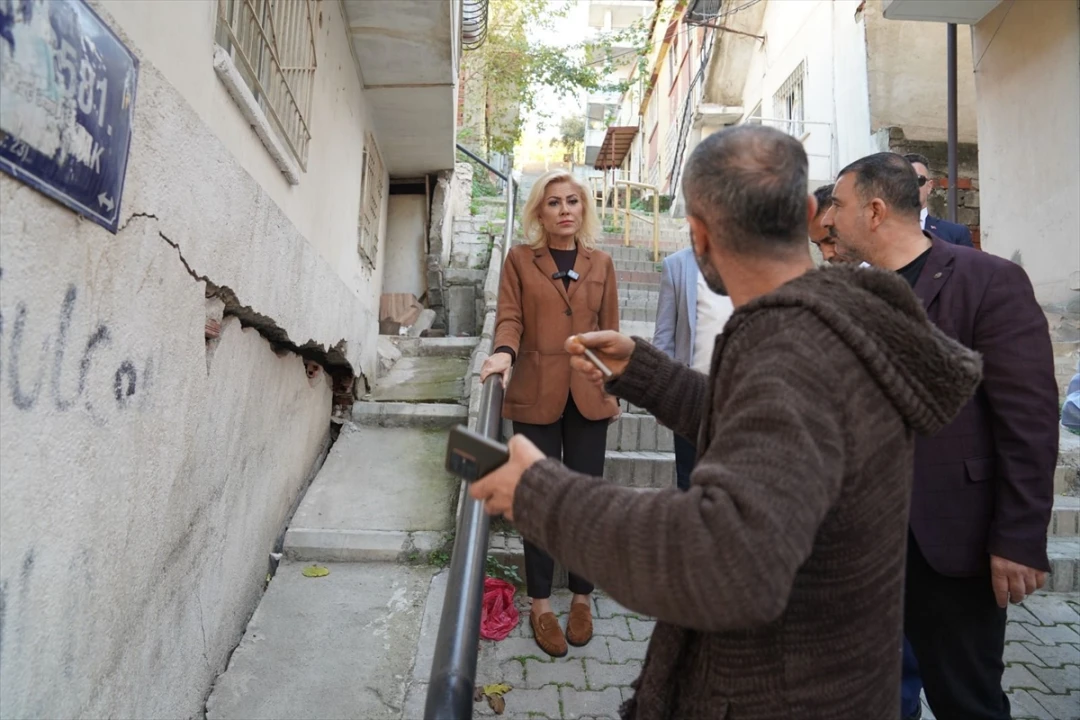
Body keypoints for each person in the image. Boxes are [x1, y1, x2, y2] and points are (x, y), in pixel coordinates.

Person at [470, 126, 982, 718]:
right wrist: (647, 373)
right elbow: (763, 423)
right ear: (811, 213)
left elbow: (719, 559)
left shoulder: (792, 348)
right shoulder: (827, 321)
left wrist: (538, 491)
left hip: (780, 697)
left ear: (698, 231)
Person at [823, 152, 1059, 720]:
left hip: (954, 541)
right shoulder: (848, 294)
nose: (828, 219)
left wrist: (1019, 537)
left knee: (967, 701)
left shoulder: (986, 280)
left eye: (838, 204)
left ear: (875, 211)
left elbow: (1028, 421)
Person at [479, 169, 620, 659]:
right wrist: (503, 353)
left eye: (573, 202)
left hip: (587, 397)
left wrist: (612, 387)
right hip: (535, 393)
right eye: (554, 202)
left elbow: (610, 333)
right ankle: (541, 605)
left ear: (584, 210)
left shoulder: (601, 262)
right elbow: (510, 316)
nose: (564, 210)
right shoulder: (520, 260)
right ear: (539, 211)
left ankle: (582, 598)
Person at [651, 247, 733, 490]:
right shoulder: (676, 264)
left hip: (739, 394)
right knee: (690, 482)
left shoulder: (754, 257)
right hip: (691, 395)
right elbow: (664, 336)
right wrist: (660, 395)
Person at [903, 153, 974, 247]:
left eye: (919, 180)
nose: (912, 186)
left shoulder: (956, 234)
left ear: (929, 186)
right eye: (904, 180)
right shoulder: (879, 232)